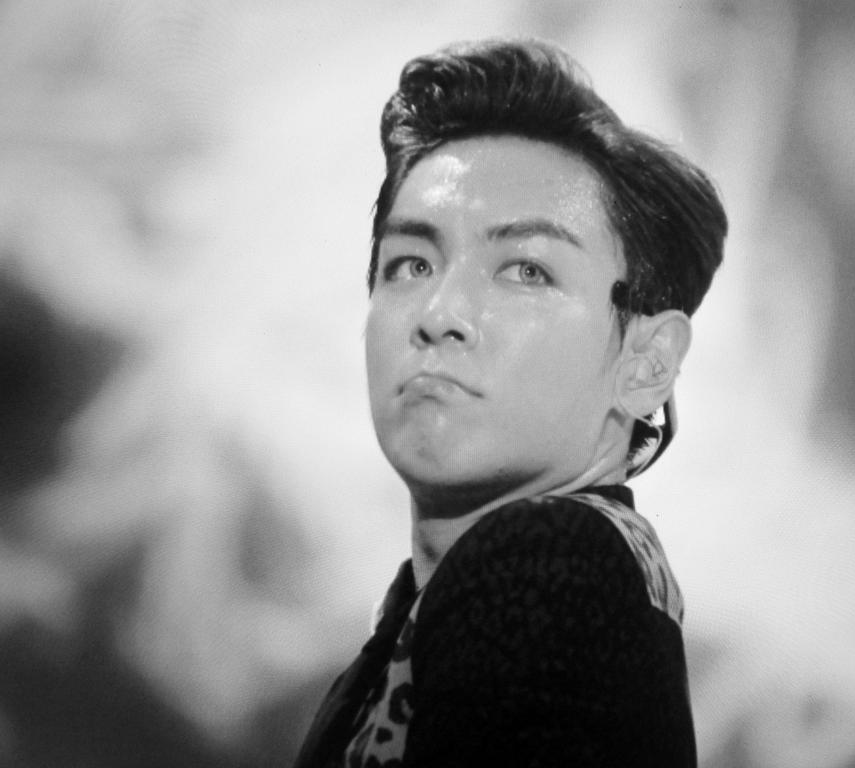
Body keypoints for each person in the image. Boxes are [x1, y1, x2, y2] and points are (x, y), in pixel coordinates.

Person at [293, 37, 727, 768]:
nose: (440, 313)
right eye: (412, 264)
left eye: (526, 270)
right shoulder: (440, 610)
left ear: (648, 362)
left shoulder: (552, 565)